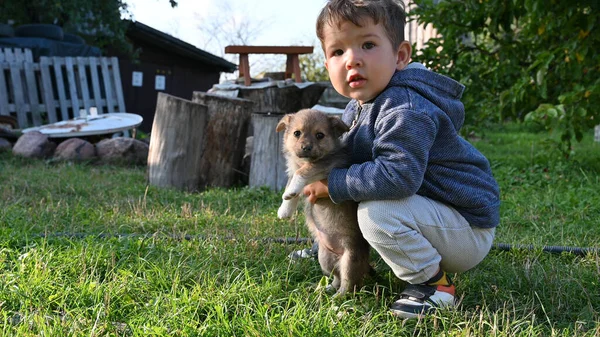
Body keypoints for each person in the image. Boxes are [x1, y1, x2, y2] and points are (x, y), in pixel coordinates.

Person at [300, 0, 501, 319]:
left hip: (465, 228)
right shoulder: (359, 107)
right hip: (431, 217)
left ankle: (434, 286)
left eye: (367, 44)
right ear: (327, 65)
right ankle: (338, 248)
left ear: (401, 55)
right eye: (338, 52)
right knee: (360, 197)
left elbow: (397, 178)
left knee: (376, 212)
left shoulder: (405, 109)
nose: (352, 59)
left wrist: (333, 184)